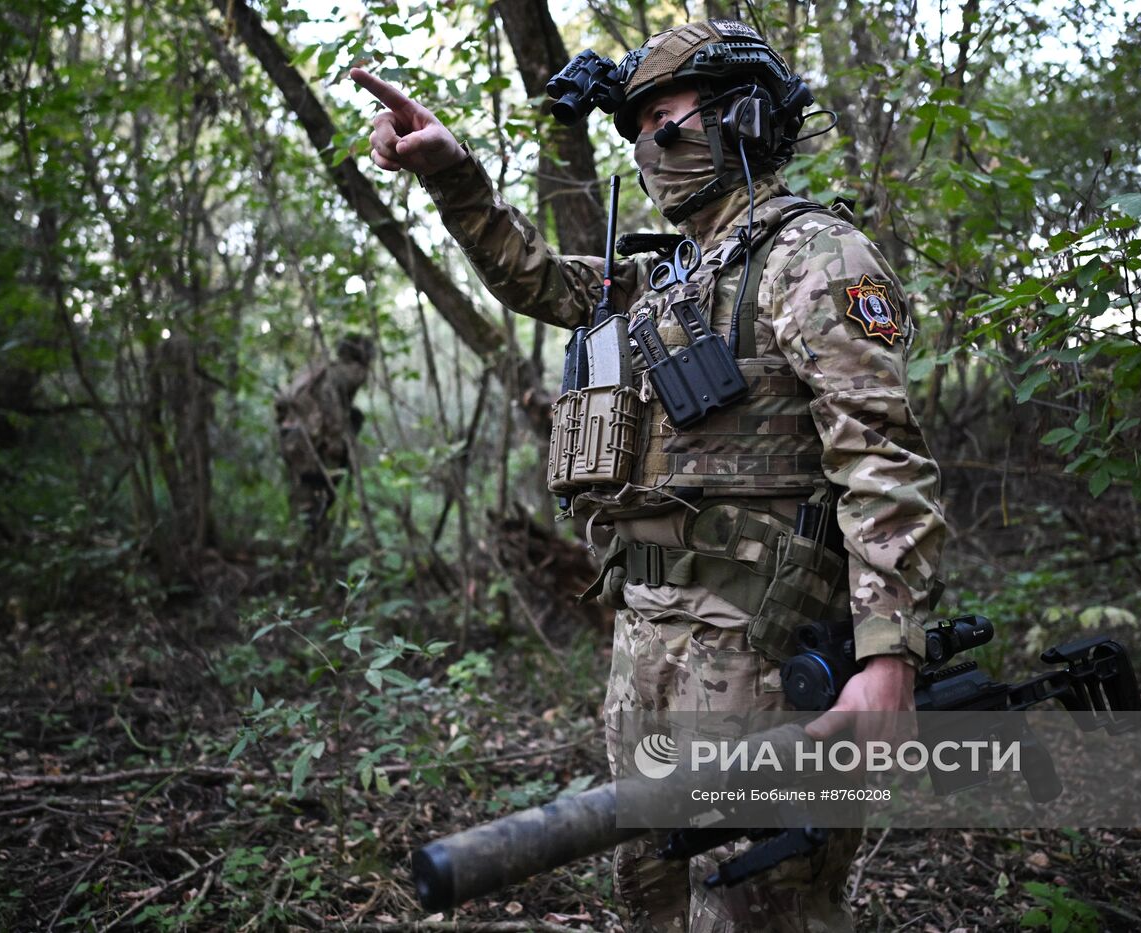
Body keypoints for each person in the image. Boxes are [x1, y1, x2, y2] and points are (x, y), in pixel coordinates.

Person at [353, 18, 946, 932]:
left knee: (765, 902)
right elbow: (536, 277)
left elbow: (881, 457)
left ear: (742, 120)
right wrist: (451, 171)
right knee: (652, 886)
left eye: (663, 122)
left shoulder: (816, 257)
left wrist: (887, 652)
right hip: (649, 643)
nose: (648, 148)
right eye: (634, 132)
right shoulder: (665, 279)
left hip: (762, 650)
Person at [275, 334, 374, 540]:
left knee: (305, 497)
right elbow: (332, 407)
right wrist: (336, 442)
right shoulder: (344, 373)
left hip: (295, 440)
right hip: (313, 443)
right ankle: (310, 549)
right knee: (316, 500)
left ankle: (301, 547)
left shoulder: (318, 369)